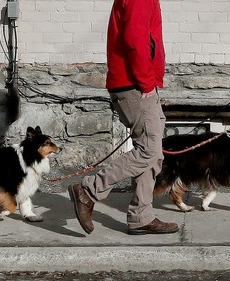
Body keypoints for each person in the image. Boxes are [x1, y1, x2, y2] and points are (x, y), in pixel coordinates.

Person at [68, 0, 179, 235]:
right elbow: (136, 41)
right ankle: (88, 191)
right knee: (148, 150)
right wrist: (147, 82)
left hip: (137, 84)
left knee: (153, 152)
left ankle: (141, 216)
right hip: (135, 86)